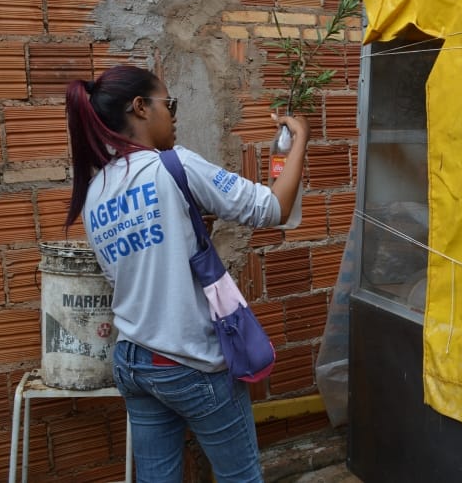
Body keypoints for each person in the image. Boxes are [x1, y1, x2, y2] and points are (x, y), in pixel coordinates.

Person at [64, 64, 309, 482]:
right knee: (241, 476)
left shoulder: (95, 194)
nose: (173, 115)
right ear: (140, 108)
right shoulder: (172, 166)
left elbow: (125, 273)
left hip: (134, 360)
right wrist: (299, 138)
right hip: (187, 359)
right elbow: (274, 208)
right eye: (168, 103)